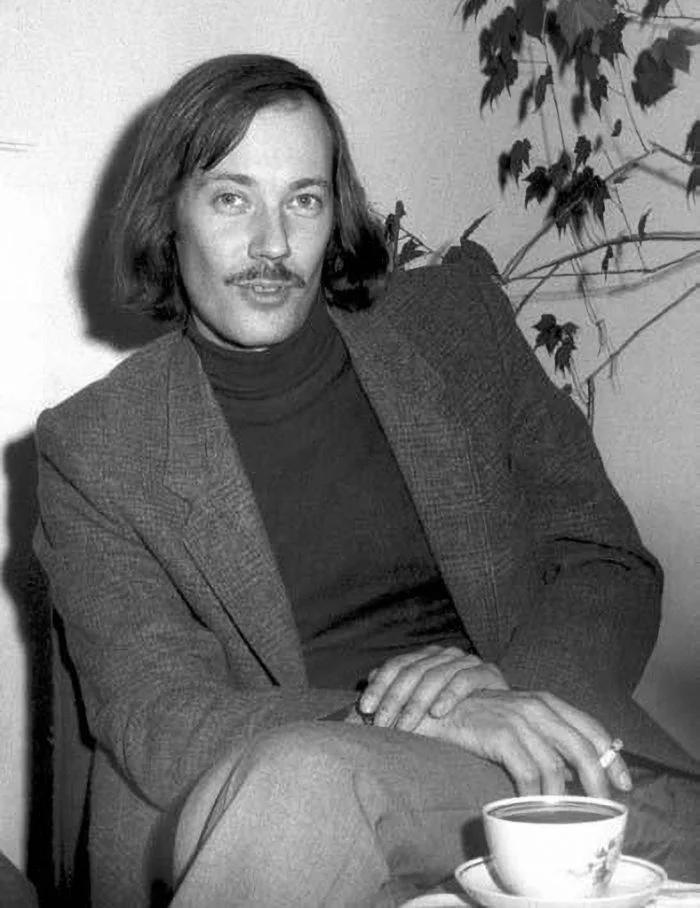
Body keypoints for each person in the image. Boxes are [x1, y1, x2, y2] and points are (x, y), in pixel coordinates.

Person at [34, 54, 700, 908]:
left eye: (303, 200)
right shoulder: (100, 445)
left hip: (548, 771)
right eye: (232, 198)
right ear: (169, 218)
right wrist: (413, 714)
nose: (272, 244)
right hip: (306, 783)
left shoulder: (457, 327)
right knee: (305, 785)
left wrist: (510, 689)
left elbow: (605, 558)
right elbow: (157, 711)